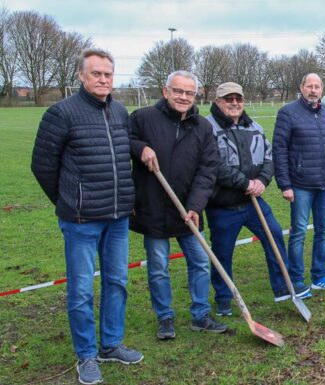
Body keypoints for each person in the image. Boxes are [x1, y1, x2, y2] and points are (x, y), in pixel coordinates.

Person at [31, 48, 142, 385]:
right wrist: (69, 200)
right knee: (80, 290)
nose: (103, 79)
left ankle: (110, 344)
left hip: (118, 216)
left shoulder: (120, 112)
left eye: (108, 74)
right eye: (96, 73)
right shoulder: (61, 113)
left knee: (117, 283)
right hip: (81, 220)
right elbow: (42, 166)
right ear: (81, 75)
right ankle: (86, 355)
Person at [129, 70, 228, 340]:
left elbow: (208, 170)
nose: (183, 97)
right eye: (178, 91)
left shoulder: (203, 127)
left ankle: (200, 315)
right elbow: (121, 140)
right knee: (158, 266)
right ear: (166, 91)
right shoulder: (142, 118)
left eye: (189, 93)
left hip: (188, 210)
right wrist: (140, 149)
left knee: (200, 262)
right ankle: (165, 317)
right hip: (153, 207)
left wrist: (196, 206)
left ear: (196, 95)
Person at [204, 82, 309, 316]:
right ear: (218, 102)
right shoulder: (207, 128)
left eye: (238, 99)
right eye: (228, 99)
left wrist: (262, 181)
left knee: (273, 234)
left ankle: (283, 287)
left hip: (253, 202)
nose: (234, 103)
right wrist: (245, 183)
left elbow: (269, 158)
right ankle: (223, 298)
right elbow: (214, 166)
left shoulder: (255, 127)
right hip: (222, 204)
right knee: (222, 253)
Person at [272, 73, 325, 293]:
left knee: (323, 231)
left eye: (317, 86)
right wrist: (285, 184)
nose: (313, 90)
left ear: (322, 89)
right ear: (301, 87)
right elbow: (279, 150)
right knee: (299, 231)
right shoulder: (287, 113)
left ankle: (319, 276)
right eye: (309, 86)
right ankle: (296, 279)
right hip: (300, 184)